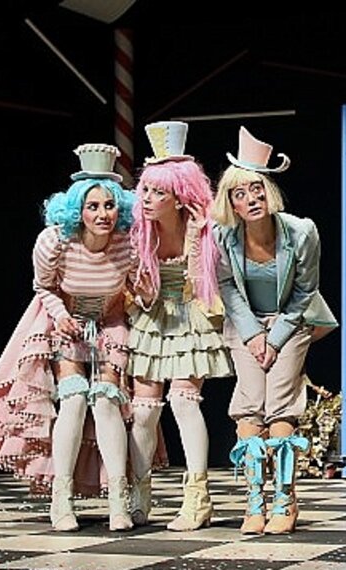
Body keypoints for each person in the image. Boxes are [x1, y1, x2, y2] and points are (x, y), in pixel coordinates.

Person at [0, 143, 137, 532]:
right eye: (92, 206)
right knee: (74, 399)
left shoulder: (127, 243)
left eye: (109, 205)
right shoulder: (55, 241)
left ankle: (119, 499)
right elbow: (44, 286)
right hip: (67, 325)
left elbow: (136, 288)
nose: (102, 214)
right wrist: (62, 316)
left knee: (107, 401)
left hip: (110, 325)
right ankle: (61, 497)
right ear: (77, 210)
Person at [213, 126, 338, 535]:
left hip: (292, 321)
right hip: (245, 324)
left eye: (257, 189)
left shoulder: (301, 232)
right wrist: (253, 335)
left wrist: (275, 337)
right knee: (250, 403)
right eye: (240, 193)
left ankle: (285, 498)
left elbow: (305, 291)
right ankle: (255, 499)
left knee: (281, 402)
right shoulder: (222, 236)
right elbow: (228, 288)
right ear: (230, 201)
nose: (251, 199)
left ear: (269, 191)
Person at [125, 121, 233, 531]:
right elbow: (138, 292)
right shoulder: (139, 233)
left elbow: (208, 284)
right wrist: (141, 289)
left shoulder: (203, 232)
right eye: (145, 190)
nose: (148, 199)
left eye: (159, 193)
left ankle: (198, 497)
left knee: (184, 402)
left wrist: (195, 239)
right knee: (144, 411)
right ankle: (139, 491)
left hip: (192, 314)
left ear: (181, 196)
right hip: (153, 318)